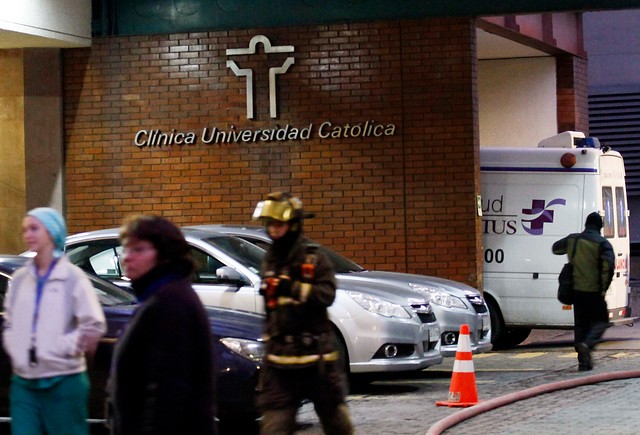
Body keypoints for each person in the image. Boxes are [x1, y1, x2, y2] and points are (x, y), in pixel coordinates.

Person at [252, 192, 353, 435]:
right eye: (270, 224)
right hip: (279, 361)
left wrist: (292, 287)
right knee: (275, 426)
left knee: (336, 422)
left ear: (294, 223)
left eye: (279, 224)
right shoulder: (270, 258)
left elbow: (326, 295)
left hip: (316, 359)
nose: (273, 230)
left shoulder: (314, 257)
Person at [107, 214, 216, 435]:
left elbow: (168, 389)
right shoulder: (159, 296)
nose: (127, 258)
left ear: (165, 255)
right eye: (126, 250)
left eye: (138, 250)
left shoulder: (168, 303)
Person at [3, 207, 106, 434]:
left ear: (52, 231)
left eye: (34, 228)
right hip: (24, 381)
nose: (27, 234)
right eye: (24, 230)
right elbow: (10, 323)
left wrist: (60, 348)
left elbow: (93, 325)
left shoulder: (73, 277)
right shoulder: (20, 279)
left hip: (64, 381)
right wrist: (17, 351)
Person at [552, 211, 614, 371]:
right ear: (600, 227)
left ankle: (583, 362)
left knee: (581, 325)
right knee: (601, 321)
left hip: (576, 291)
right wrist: (603, 289)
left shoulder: (573, 239)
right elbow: (608, 266)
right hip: (594, 291)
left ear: (586, 224)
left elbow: (556, 249)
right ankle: (588, 344)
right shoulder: (602, 244)